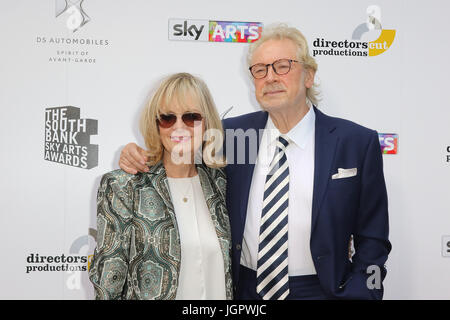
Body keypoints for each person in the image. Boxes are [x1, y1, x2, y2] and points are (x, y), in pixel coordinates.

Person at [118, 24, 392, 300]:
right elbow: (177, 146)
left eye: (282, 66)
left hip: (323, 291)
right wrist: (137, 153)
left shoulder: (354, 142)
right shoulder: (232, 135)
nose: (270, 77)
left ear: (309, 75)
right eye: (260, 70)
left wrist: (363, 295)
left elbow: (373, 240)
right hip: (245, 291)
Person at [89, 73, 233, 300]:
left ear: (207, 123)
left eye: (191, 117)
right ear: (155, 124)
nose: (178, 127)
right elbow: (109, 282)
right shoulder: (124, 186)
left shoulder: (221, 182)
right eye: (167, 118)